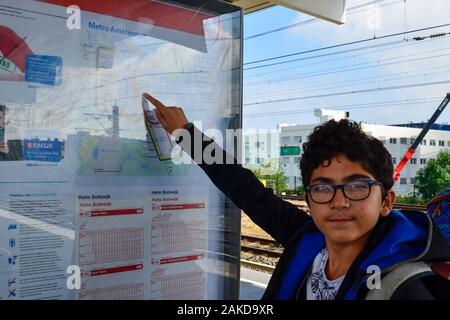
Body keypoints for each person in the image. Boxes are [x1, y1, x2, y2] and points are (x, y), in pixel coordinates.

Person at [143, 93, 450, 300]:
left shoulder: (404, 286)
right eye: (323, 187)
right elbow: (245, 189)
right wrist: (186, 134)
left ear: (386, 202)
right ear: (310, 199)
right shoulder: (308, 239)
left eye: (357, 186)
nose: (339, 201)